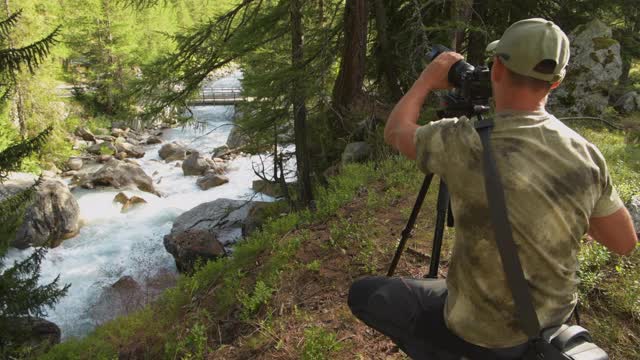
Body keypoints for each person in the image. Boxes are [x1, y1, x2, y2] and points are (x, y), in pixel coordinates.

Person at [347, 18, 638, 359]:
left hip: (478, 333)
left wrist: (427, 79)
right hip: (548, 329)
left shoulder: (461, 140)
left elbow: (396, 131)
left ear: (496, 67)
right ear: (556, 83)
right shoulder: (585, 154)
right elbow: (623, 242)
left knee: (366, 293)